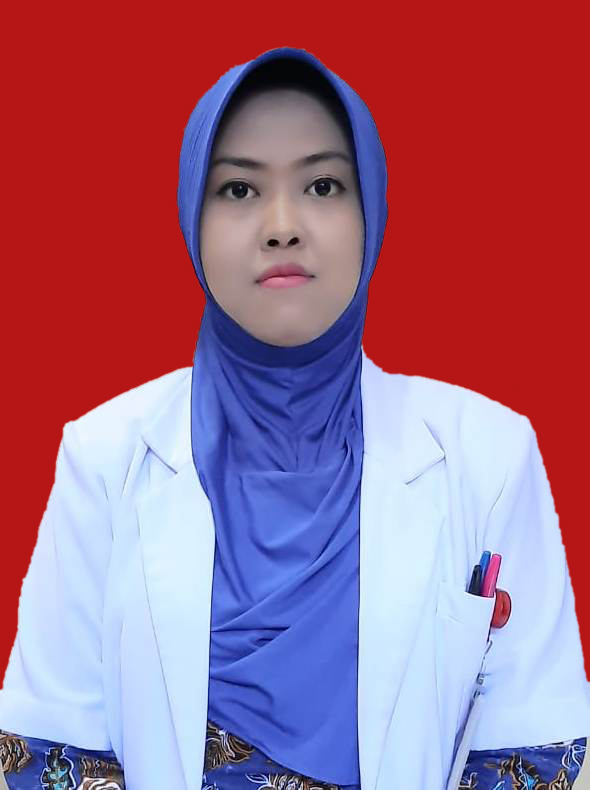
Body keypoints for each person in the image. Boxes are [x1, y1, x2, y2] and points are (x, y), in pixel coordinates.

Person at [1, 45, 589, 790]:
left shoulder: (489, 454)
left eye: (322, 184)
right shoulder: (104, 456)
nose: (282, 226)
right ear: (191, 218)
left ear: (371, 212)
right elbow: (52, 754)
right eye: (239, 189)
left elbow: (535, 751)